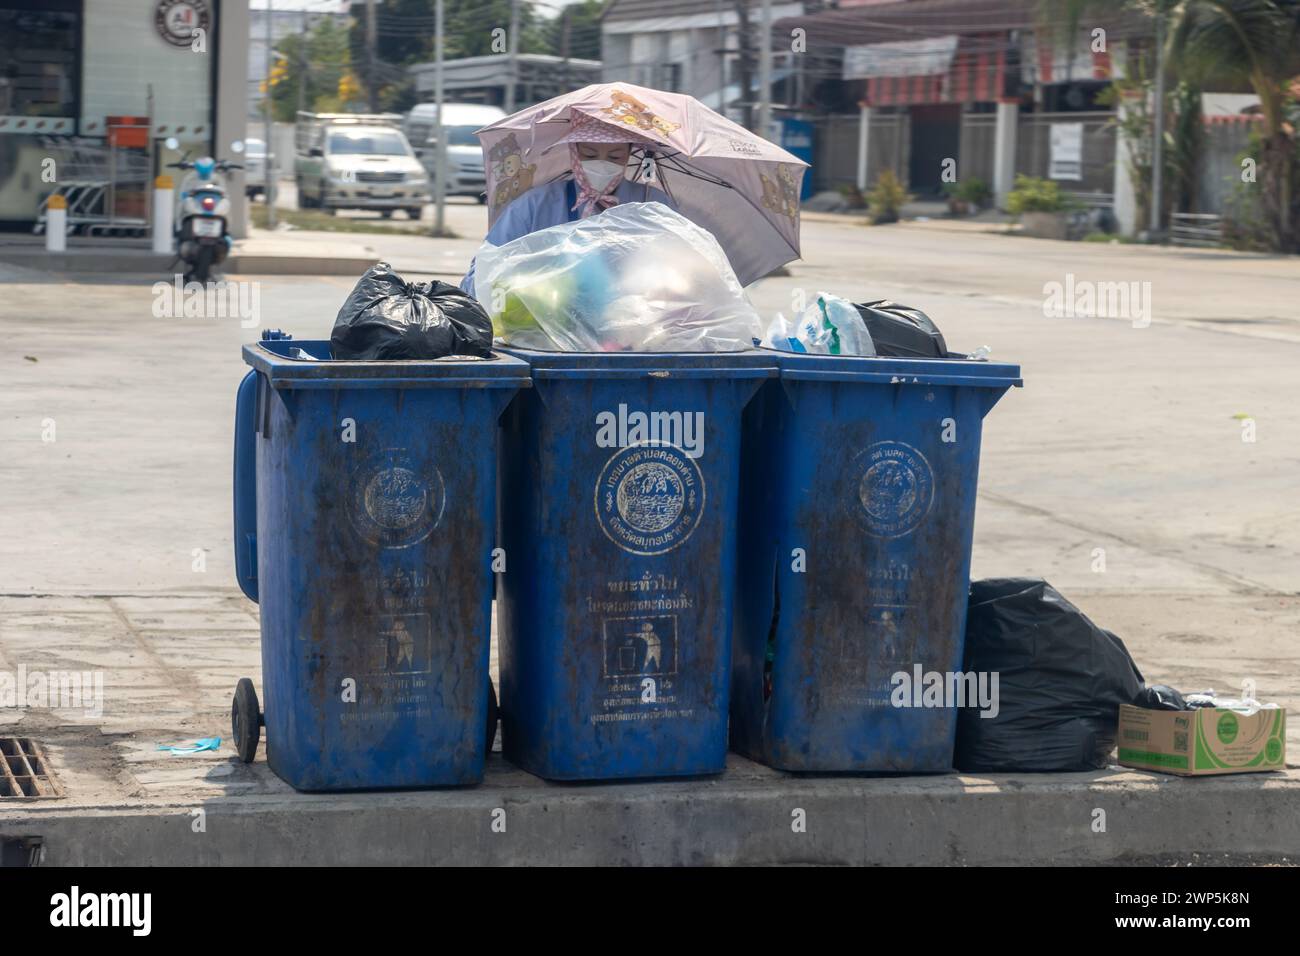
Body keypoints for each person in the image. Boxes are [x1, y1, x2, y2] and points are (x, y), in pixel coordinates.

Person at [459, 118, 676, 294]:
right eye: (590, 155)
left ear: (629, 155)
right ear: (574, 152)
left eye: (615, 156)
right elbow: (480, 275)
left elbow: (679, 271)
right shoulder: (534, 205)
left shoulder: (654, 206)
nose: (601, 164)